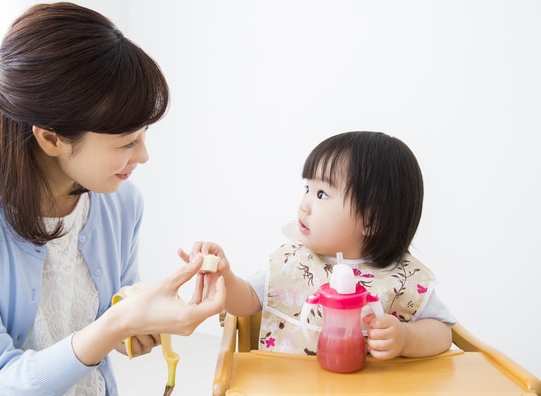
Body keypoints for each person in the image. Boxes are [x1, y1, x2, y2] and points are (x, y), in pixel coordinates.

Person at [0, 3, 225, 396]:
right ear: (51, 137)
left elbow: (111, 310)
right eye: (127, 142)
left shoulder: (121, 204)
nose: (143, 156)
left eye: (144, 136)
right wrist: (114, 326)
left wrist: (138, 324)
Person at [181, 131, 453, 360]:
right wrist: (225, 277)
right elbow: (247, 302)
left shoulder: (404, 278)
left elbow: (442, 332)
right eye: (307, 190)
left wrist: (406, 338)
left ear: (371, 220)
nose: (305, 204)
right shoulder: (293, 261)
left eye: (322, 193)